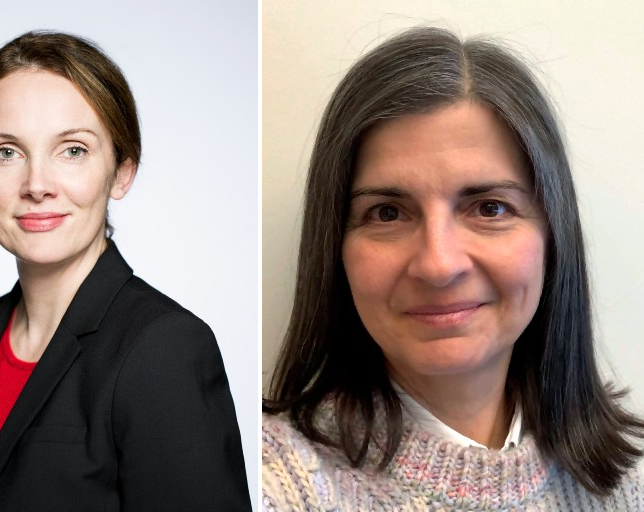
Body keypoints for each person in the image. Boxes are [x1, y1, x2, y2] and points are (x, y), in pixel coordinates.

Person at [262, 26, 644, 510]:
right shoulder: (268, 481)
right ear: (333, 244)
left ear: (553, 234)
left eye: (489, 208)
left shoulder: (629, 485)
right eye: (387, 212)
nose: (438, 265)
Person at [0, 30, 251, 511]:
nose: (36, 184)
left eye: (73, 150)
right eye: (6, 151)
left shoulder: (163, 349)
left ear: (122, 171)